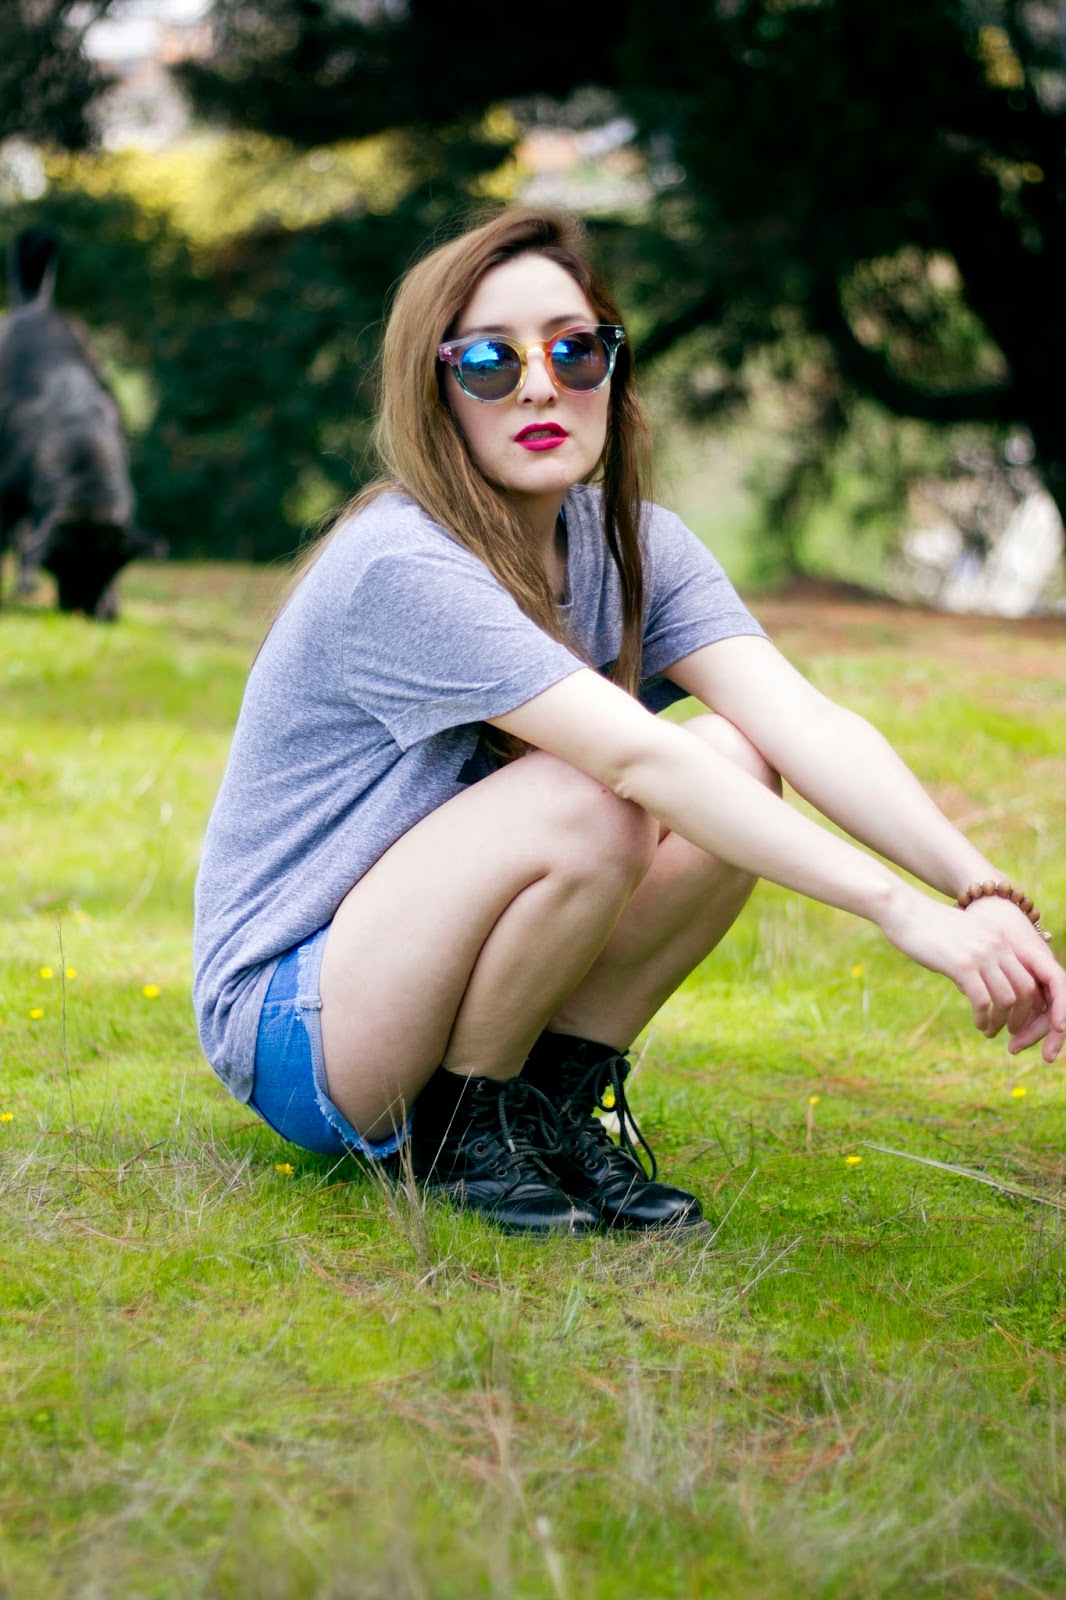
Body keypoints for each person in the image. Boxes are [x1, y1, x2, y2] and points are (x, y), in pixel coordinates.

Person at [192, 207, 1065, 1236]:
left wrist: (979, 891)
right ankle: (465, 1130)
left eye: (573, 350)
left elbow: (807, 723)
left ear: (612, 365)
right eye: (489, 361)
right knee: (597, 790)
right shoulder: (402, 564)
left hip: (428, 964)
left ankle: (541, 1109)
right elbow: (633, 756)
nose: (539, 386)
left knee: (738, 754)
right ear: (435, 393)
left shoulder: (631, 543)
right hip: (303, 1020)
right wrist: (895, 911)